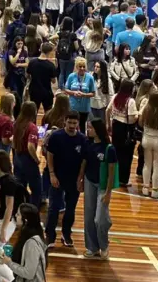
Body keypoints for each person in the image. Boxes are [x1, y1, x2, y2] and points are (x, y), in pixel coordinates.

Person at [44, 111, 87, 248]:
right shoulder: (56, 137)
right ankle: (50, 235)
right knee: (53, 208)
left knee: (70, 209)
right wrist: (52, 174)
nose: (72, 125)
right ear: (65, 122)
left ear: (78, 123)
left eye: (74, 123)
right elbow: (50, 155)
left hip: (73, 180)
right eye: (69, 122)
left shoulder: (82, 139)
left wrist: (80, 178)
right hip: (57, 178)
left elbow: (83, 161)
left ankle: (66, 234)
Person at [82, 117, 117, 259]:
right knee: (88, 217)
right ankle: (92, 247)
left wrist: (108, 192)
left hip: (102, 185)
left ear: (98, 130)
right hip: (89, 181)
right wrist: (80, 178)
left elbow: (111, 173)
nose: (88, 130)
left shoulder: (109, 149)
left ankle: (104, 245)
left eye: (90, 128)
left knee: (100, 219)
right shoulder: (88, 144)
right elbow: (84, 161)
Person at [2, 203, 49, 282]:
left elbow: (28, 273)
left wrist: (8, 262)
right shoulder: (28, 236)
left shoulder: (32, 243)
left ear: (25, 220)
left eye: (18, 214)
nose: (16, 215)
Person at [105, 78, 139, 189]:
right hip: (126, 130)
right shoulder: (131, 101)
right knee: (126, 156)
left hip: (116, 127)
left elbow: (107, 111)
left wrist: (108, 124)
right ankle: (123, 180)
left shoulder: (115, 97)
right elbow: (131, 119)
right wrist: (138, 115)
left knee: (116, 154)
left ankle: (113, 177)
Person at [139, 89, 158, 198]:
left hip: (146, 139)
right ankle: (155, 190)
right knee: (157, 166)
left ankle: (145, 188)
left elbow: (140, 122)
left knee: (147, 164)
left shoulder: (145, 110)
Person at [12, 100, 42, 208]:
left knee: (20, 187)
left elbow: (13, 141)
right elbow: (30, 146)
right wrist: (36, 159)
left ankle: (20, 210)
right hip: (27, 160)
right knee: (37, 188)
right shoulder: (32, 127)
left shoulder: (17, 123)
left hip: (17, 157)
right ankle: (33, 211)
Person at [64, 57, 95, 132]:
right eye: (80, 66)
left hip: (84, 108)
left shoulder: (90, 77)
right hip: (73, 107)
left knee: (82, 128)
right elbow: (66, 89)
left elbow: (93, 93)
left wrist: (84, 94)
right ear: (76, 67)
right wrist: (73, 92)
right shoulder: (71, 76)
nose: (82, 68)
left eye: (84, 66)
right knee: (71, 126)